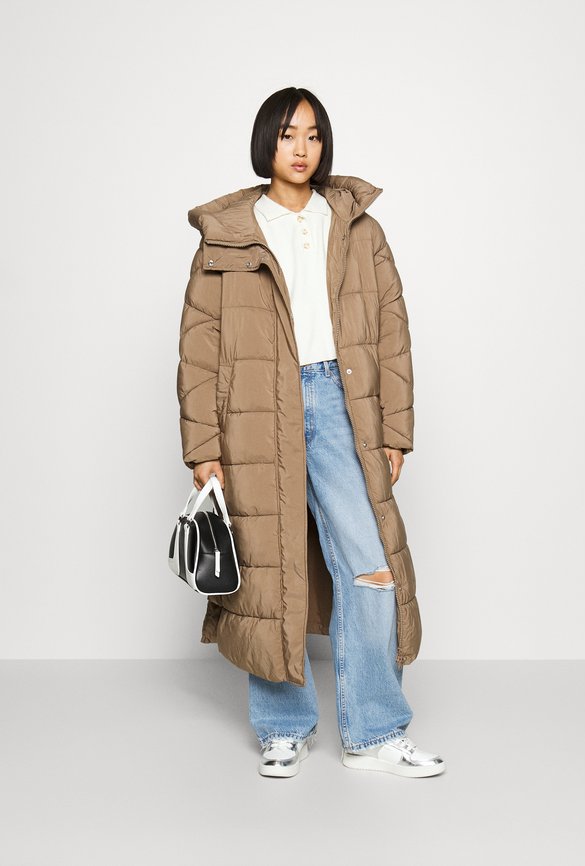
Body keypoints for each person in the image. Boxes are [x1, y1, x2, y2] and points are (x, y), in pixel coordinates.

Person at [177, 86, 445, 779]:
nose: (302, 148)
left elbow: (392, 333)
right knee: (271, 571)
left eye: (314, 135)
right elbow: (199, 348)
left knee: (370, 565)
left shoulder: (357, 227)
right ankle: (282, 728)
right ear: (266, 141)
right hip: (255, 412)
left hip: (340, 401)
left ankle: (375, 732)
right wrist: (203, 445)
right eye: (288, 134)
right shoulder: (227, 234)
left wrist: (396, 429)